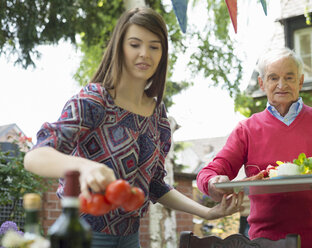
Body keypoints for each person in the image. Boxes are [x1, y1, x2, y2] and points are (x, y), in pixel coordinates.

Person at [24, 7, 244, 248]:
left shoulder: (158, 116)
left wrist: (207, 213)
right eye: (135, 44)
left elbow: (155, 186)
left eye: (154, 46)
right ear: (120, 47)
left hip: (131, 241)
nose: (144, 54)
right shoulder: (94, 100)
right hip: (82, 238)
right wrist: (83, 166)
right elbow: (35, 156)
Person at [196, 47, 312, 248]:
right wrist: (213, 182)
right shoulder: (246, 129)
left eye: (289, 78)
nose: (281, 85)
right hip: (265, 242)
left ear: (300, 81)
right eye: (273, 78)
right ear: (262, 83)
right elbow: (209, 173)